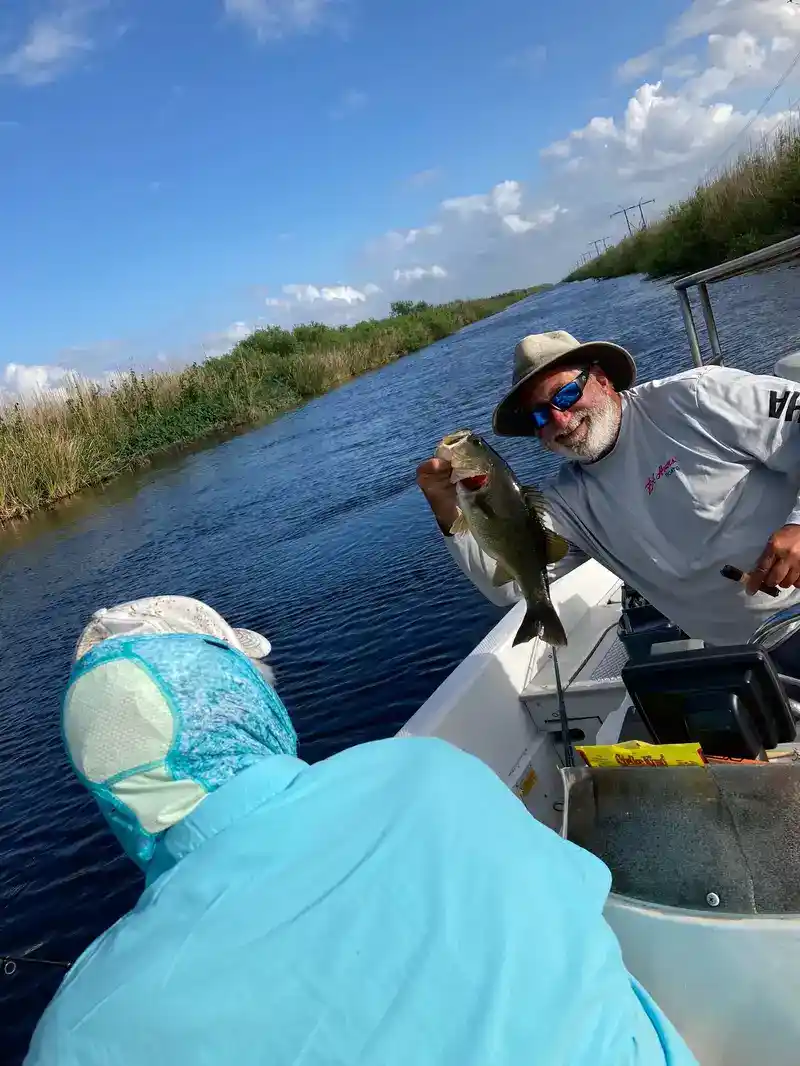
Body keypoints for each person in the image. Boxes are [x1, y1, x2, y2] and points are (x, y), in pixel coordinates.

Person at [26, 595, 695, 1065]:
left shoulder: (72, 1035)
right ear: (248, 699)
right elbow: (584, 904)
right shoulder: (430, 773)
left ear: (107, 789)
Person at [417, 329, 800, 657]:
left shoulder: (698, 397)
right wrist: (448, 511)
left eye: (565, 395)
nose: (559, 419)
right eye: (539, 416)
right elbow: (511, 585)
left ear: (602, 379)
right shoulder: (567, 503)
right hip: (741, 655)